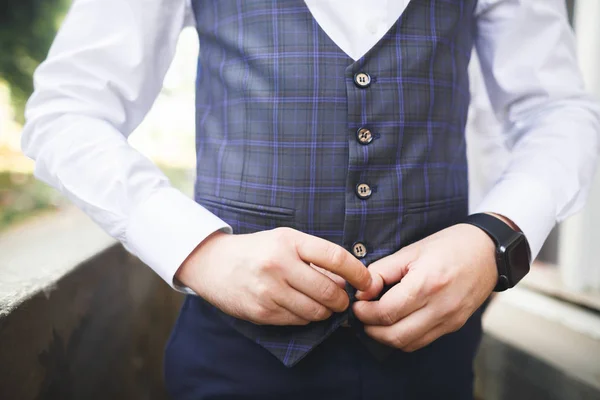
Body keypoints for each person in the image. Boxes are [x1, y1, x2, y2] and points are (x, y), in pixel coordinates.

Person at [22, 0, 600, 399]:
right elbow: (65, 113)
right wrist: (200, 253)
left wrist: (496, 235)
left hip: (433, 361)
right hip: (235, 361)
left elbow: (556, 111)